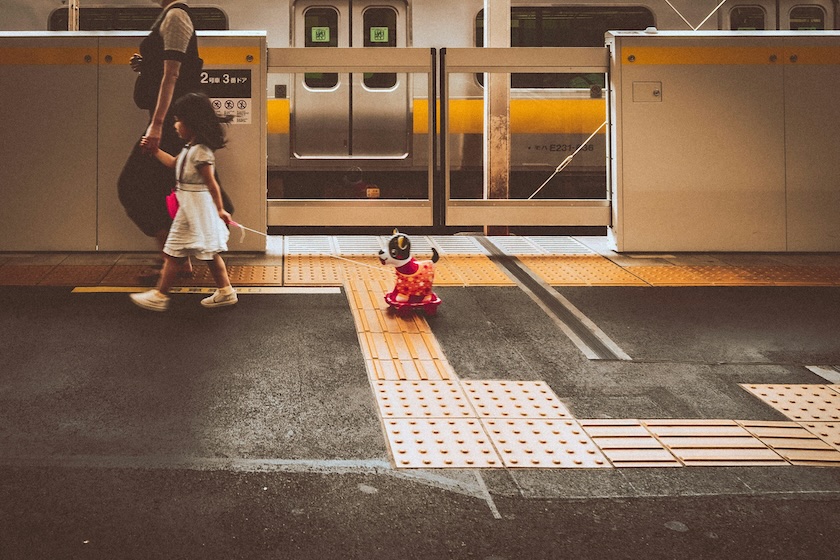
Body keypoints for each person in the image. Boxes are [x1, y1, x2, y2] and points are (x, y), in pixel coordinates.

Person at [118, 0, 204, 283]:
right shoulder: (171, 15)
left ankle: (174, 260)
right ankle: (177, 261)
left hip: (170, 122)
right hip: (169, 120)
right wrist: (147, 65)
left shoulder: (177, 15)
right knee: (166, 188)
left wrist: (155, 126)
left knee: (132, 185)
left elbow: (173, 74)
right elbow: (167, 66)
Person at [130, 93, 237, 312]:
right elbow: (172, 164)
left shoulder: (201, 152)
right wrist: (155, 151)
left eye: (179, 120)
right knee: (207, 253)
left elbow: (211, 183)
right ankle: (226, 291)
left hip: (195, 209)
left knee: (174, 252)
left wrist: (220, 209)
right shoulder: (190, 149)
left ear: (192, 123)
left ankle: (160, 295)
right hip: (190, 208)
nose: (175, 125)